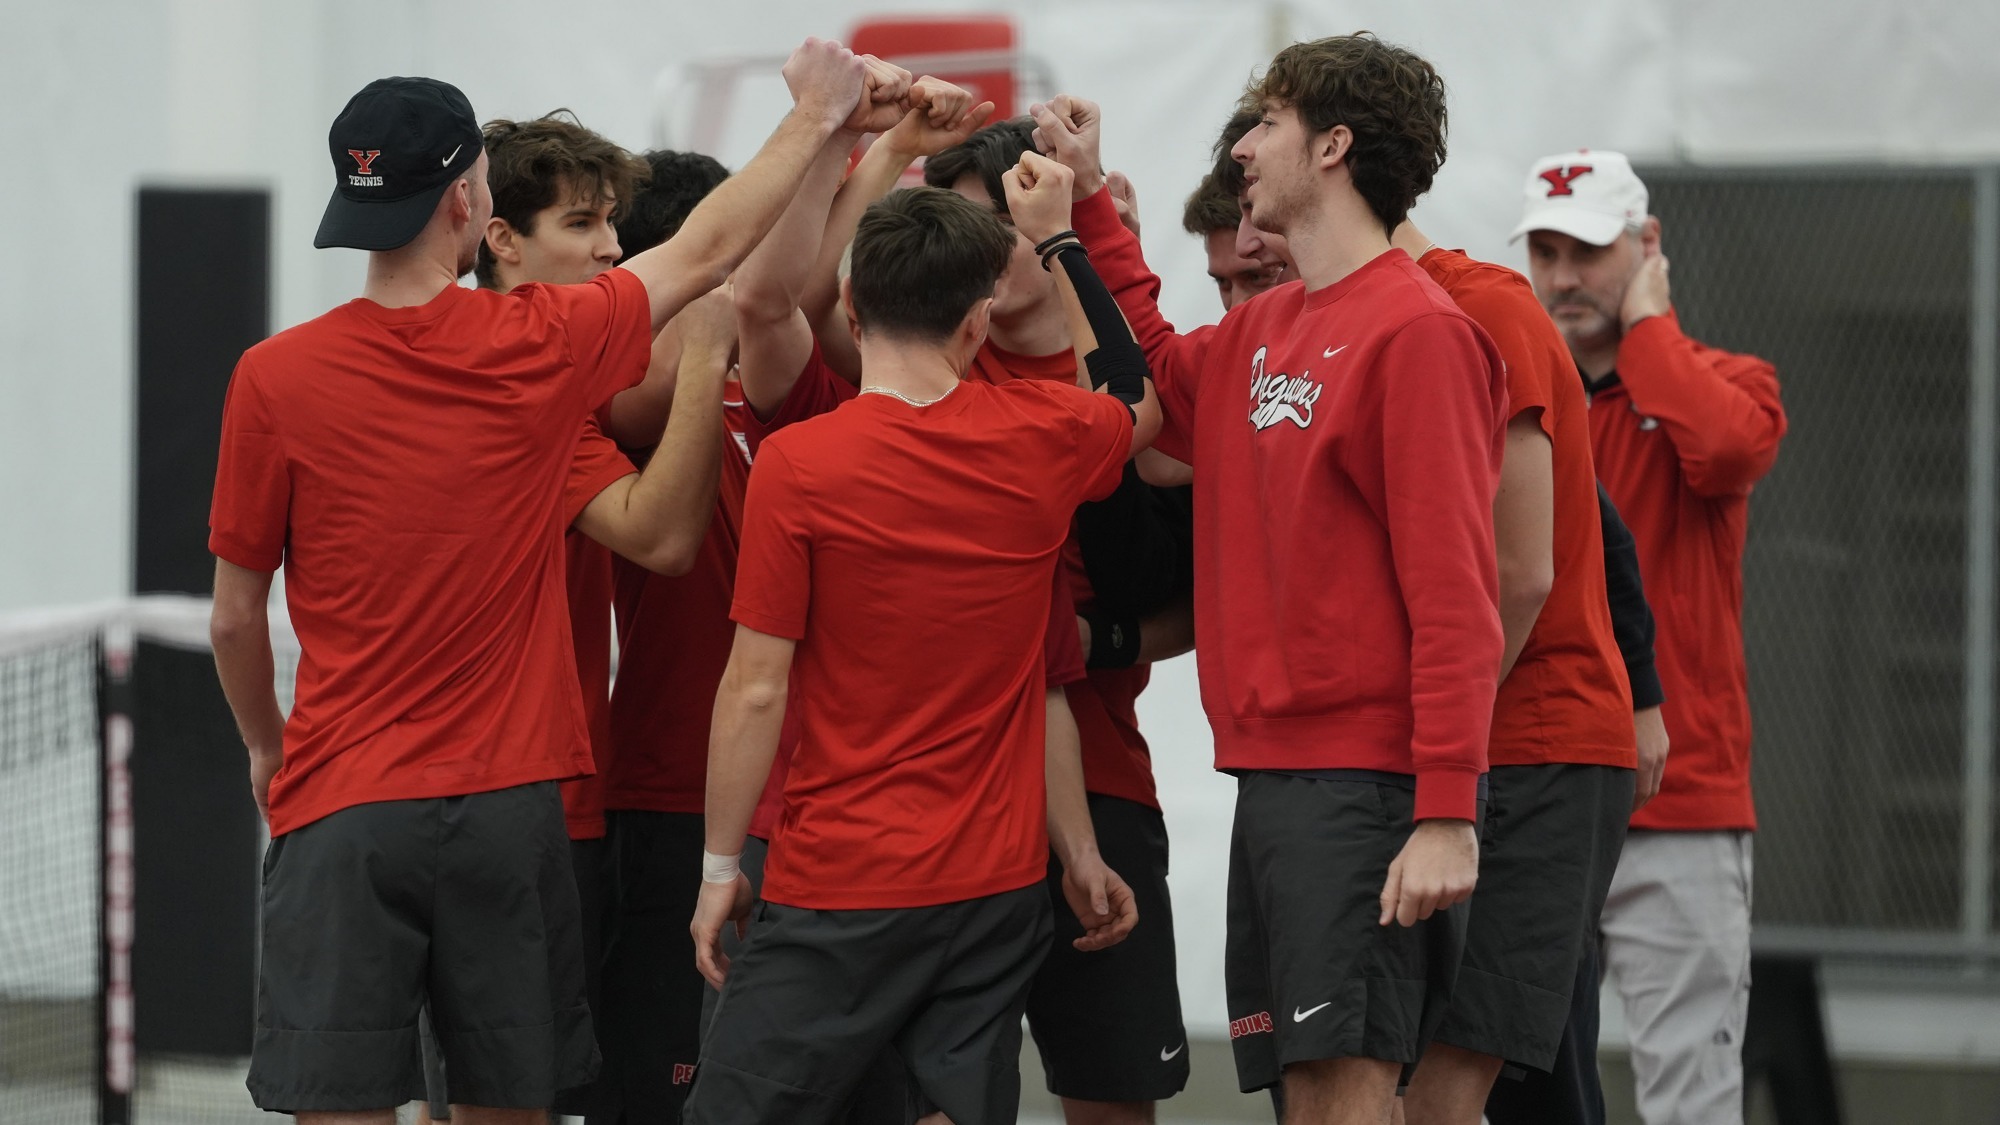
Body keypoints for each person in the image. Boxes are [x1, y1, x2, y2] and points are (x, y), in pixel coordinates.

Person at [206, 47, 886, 1123]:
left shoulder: (271, 375)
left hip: (340, 802)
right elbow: (706, 248)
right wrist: (818, 114)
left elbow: (235, 617)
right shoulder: (538, 346)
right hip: (509, 806)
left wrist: (266, 747)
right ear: (473, 204)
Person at [1031, 31, 1508, 1125]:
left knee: (1342, 1091)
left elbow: (1456, 592)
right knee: (1312, 1096)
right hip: (1277, 779)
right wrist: (1089, 206)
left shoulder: (1419, 331)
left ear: (1332, 144)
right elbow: (1145, 379)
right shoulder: (1265, 327)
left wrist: (1443, 810)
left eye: (1264, 123)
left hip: (1365, 782)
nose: (1241, 147)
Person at [730, 93, 1197, 1125]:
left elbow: (1194, 572)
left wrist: (1082, 233)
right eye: (968, 235)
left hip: (1081, 773)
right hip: (906, 832)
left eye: (1004, 226)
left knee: (1102, 1089)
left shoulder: (1074, 398)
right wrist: (885, 145)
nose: (986, 251)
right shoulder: (906, 380)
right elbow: (778, 305)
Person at [468, 114, 734, 1125]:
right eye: (584, 224)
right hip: (519, 803)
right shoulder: (537, 391)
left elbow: (240, 613)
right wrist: (707, 352)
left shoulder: (563, 389)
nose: (612, 249)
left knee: (497, 1098)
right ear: (499, 239)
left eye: (615, 225)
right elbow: (662, 538)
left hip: (534, 799)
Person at [1514, 148, 1785, 1125]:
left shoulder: (1721, 380)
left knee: (1689, 1097)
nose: (1561, 276)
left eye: (1586, 249)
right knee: (1527, 1084)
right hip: (1538, 786)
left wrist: (1648, 327)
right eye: (1543, 251)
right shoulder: (1511, 402)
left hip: (1681, 802)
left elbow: (1720, 451)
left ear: (1646, 246)